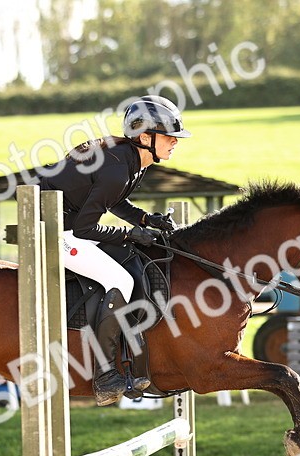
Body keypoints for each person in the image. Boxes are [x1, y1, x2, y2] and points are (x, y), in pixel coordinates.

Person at [36, 94, 191, 406]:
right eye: (169, 136)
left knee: (132, 259)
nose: (175, 141)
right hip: (53, 230)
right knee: (120, 280)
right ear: (145, 138)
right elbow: (84, 229)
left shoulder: (133, 162)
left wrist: (146, 219)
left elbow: (116, 202)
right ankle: (105, 374)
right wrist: (130, 233)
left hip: (69, 225)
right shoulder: (117, 168)